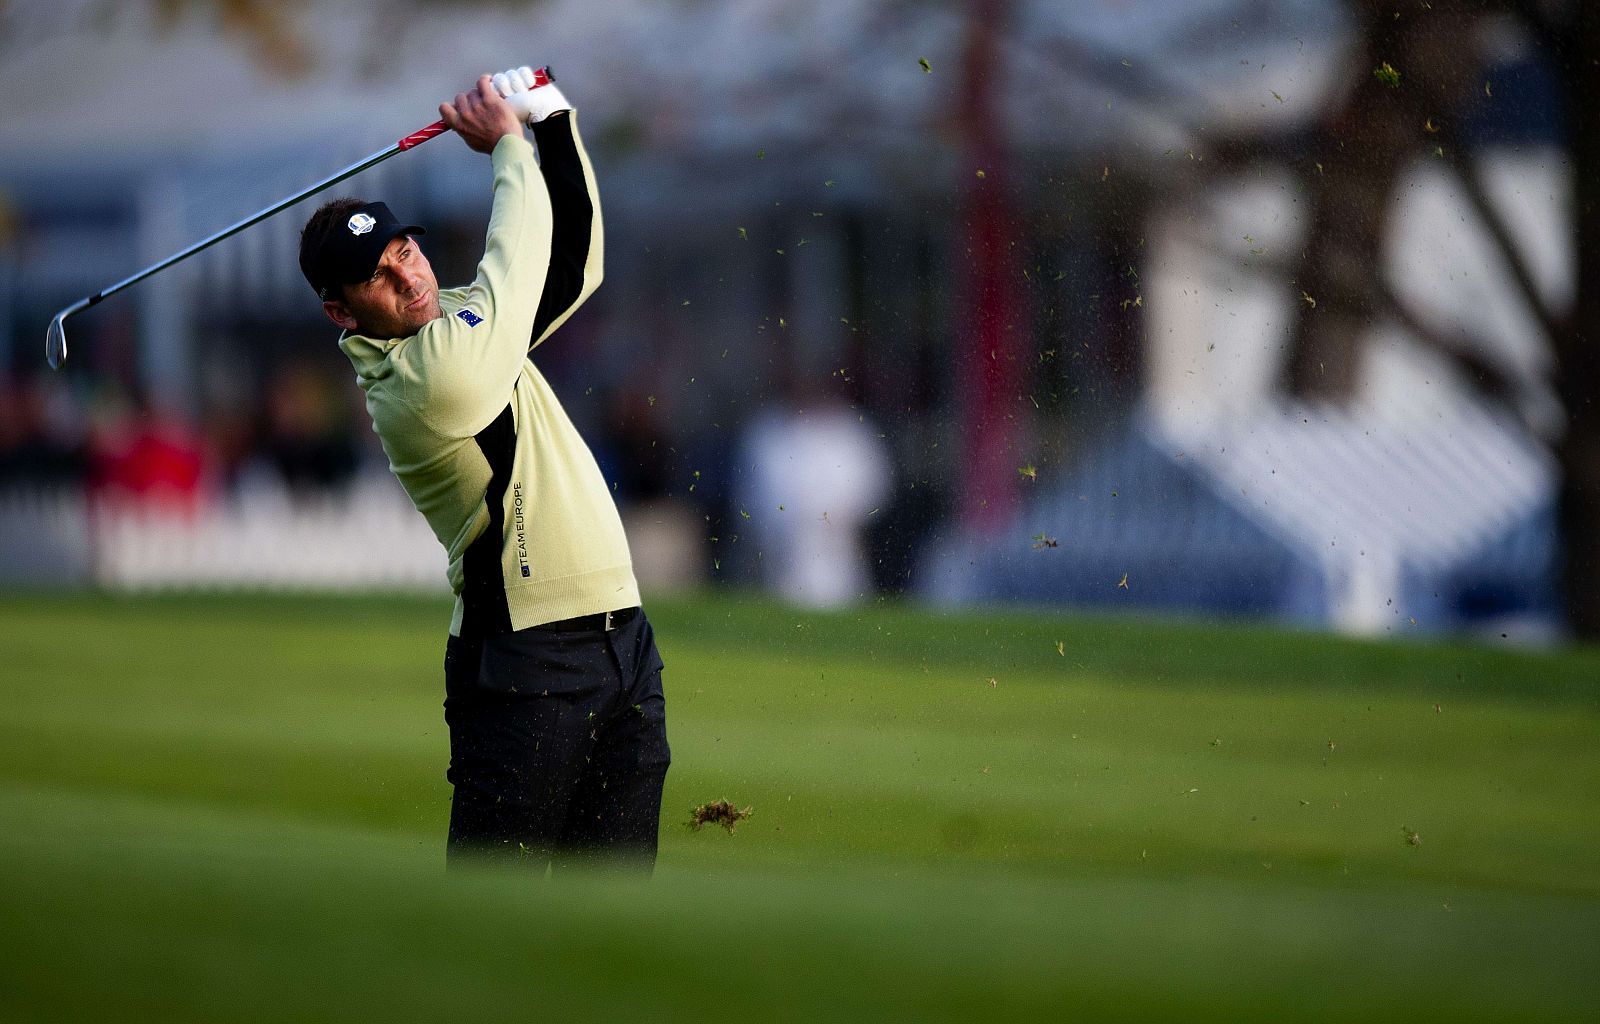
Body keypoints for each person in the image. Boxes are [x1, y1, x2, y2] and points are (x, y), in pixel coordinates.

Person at [297, 69, 669, 871]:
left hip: (624, 643)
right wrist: (506, 143)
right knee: (495, 921)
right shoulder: (420, 381)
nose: (410, 276)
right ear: (343, 312)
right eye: (380, 278)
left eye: (406, 250)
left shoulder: (470, 322)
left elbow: (569, 260)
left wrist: (553, 118)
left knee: (615, 924)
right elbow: (516, 252)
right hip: (524, 663)